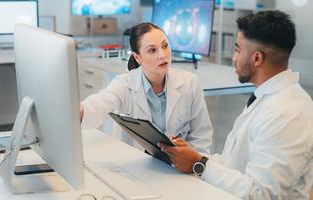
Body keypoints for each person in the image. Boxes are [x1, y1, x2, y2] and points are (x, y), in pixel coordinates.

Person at [158, 10, 313, 199]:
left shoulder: (288, 113)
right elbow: (234, 165)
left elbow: (262, 194)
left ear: (257, 58)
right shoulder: (266, 96)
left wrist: (199, 165)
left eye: (238, 50)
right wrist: (190, 156)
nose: (233, 58)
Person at [80, 22, 213, 154]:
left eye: (165, 46)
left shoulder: (190, 83)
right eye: (152, 50)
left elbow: (201, 138)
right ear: (137, 57)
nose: (162, 55)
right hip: (138, 167)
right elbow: (99, 103)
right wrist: (80, 110)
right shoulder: (125, 84)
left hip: (180, 170)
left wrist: (192, 164)